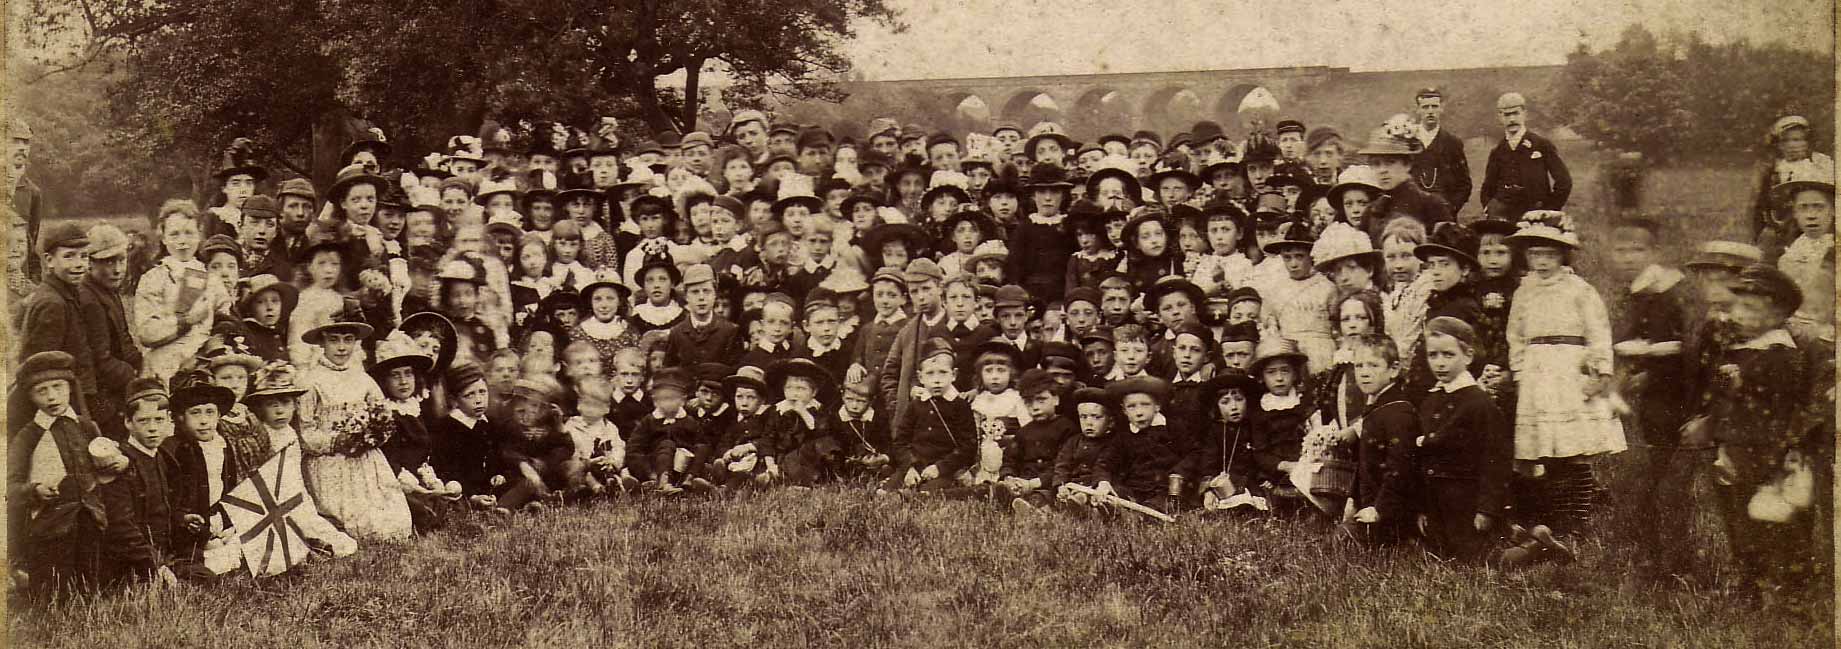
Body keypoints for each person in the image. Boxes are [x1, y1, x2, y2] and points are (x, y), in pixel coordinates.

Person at [1504, 211, 1624, 533]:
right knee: (1546, 450)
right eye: (1535, 254)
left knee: (1574, 451)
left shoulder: (1579, 290)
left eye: (1550, 254)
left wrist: (1600, 372)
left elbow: (1598, 332)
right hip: (1536, 372)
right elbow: (1515, 335)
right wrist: (1518, 371)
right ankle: (1556, 516)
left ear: (1563, 255)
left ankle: (1578, 518)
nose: (1542, 262)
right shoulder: (1523, 291)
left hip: (1570, 370)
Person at [1605, 218, 1696, 581]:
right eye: (1621, 250)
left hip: (1674, 394)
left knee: (1666, 481)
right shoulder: (1636, 292)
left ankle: (1676, 561)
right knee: (1645, 477)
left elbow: (1685, 348)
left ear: (1654, 253)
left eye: (1638, 250)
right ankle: (1652, 554)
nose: (1628, 257)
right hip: (1650, 396)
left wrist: (1649, 373)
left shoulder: (1669, 292)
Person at [295, 306, 413, 541]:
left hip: (366, 461)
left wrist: (372, 435)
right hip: (329, 464)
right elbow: (305, 433)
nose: (341, 347)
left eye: (348, 340)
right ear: (322, 343)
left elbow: (383, 415)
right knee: (349, 523)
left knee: (392, 521)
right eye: (334, 340)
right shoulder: (310, 381)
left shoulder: (363, 379)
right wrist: (337, 441)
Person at [7, 351, 110, 597]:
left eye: (57, 387)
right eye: (41, 391)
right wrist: (34, 491)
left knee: (89, 583)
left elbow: (104, 462)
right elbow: (9, 486)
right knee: (53, 589)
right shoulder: (28, 436)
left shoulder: (85, 426)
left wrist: (115, 461)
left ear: (70, 388)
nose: (51, 396)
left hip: (90, 517)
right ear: (30, 396)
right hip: (50, 525)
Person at [1414, 317, 1517, 563]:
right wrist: (1422, 507)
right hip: (1437, 504)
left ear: (1468, 356)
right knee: (1434, 554)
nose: (1439, 363)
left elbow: (1496, 460)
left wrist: (1487, 509)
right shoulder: (1431, 400)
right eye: (1433, 355)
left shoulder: (1478, 403)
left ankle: (1534, 548)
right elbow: (1423, 459)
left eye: (1448, 355)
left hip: (1466, 504)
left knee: (1478, 559)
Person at [16, 223, 99, 415]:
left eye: (84, 256)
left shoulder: (65, 293)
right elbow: (43, 368)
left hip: (72, 394)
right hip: (61, 402)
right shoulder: (53, 303)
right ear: (49, 260)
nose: (79, 264)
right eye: (69, 256)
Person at [886, 337, 977, 493]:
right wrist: (909, 467)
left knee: (928, 493)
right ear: (921, 377)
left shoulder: (960, 405)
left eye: (942, 373)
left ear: (953, 374)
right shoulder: (915, 405)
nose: (936, 380)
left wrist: (940, 467)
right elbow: (900, 440)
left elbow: (968, 446)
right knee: (886, 492)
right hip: (916, 465)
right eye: (930, 374)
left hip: (945, 468)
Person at [1481, 92, 1571, 221]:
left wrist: (1549, 209)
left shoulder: (1541, 144)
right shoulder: (1497, 151)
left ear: (1524, 113)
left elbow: (1564, 181)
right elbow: (1487, 187)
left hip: (1536, 215)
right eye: (1507, 114)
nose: (1512, 119)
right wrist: (1490, 208)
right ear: (1500, 116)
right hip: (1504, 217)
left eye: (1516, 113)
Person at [1409, 88, 1473, 217]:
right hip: (1412, 212)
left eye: (1434, 106)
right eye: (1425, 107)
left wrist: (1451, 208)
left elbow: (1465, 184)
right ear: (1418, 110)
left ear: (1441, 109)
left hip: (1443, 214)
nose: (1430, 111)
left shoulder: (1453, 143)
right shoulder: (1408, 141)